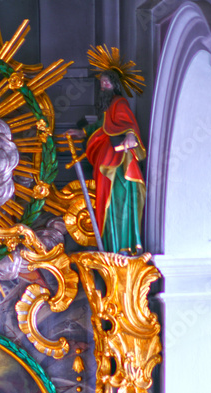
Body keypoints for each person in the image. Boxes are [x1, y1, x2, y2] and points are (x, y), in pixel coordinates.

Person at [67, 47, 146, 254]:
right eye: (102, 82)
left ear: (115, 85)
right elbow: (100, 128)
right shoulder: (106, 109)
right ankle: (111, 243)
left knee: (118, 199)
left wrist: (130, 135)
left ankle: (123, 244)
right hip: (106, 159)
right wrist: (82, 133)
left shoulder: (119, 103)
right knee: (105, 203)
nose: (103, 85)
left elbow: (128, 125)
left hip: (118, 160)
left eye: (107, 82)